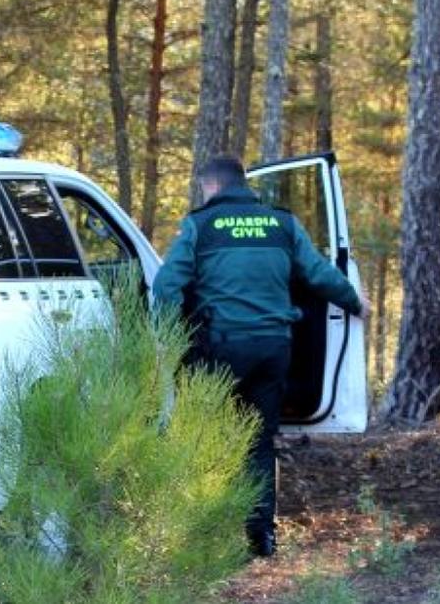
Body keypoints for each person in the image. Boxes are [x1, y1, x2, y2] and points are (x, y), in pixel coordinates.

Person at [153, 154, 368, 557]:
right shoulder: (282, 224)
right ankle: (261, 536)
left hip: (219, 349)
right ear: (243, 183)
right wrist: (354, 301)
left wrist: (166, 335)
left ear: (210, 186)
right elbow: (318, 273)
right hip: (272, 348)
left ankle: (206, 532)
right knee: (259, 440)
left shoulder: (200, 225)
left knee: (207, 436)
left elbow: (167, 285)